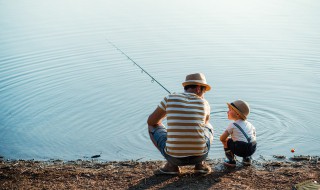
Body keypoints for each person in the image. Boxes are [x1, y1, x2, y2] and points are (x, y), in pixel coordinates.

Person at [147, 73, 214, 174]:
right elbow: (203, 125)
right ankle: (200, 165)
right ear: (199, 89)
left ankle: (171, 166)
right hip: (200, 155)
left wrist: (169, 113)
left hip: (174, 158)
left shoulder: (169, 98)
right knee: (208, 127)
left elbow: (151, 121)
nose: (204, 94)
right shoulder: (205, 103)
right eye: (204, 91)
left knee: (152, 126)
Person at [220, 100, 257, 167]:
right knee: (247, 140)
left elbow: (222, 138)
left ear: (237, 114)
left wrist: (230, 139)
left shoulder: (233, 125)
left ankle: (231, 160)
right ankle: (247, 159)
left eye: (230, 110)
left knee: (226, 140)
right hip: (252, 148)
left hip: (240, 149)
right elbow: (254, 135)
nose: (227, 112)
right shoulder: (250, 124)